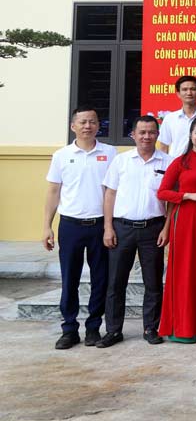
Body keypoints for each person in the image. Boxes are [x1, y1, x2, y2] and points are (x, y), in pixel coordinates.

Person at [43, 106, 114, 349]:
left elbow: (111, 192)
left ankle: (94, 327)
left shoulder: (110, 153)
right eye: (82, 122)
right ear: (73, 126)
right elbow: (53, 192)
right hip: (70, 225)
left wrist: (109, 226)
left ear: (98, 125)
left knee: (100, 279)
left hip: (99, 225)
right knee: (69, 278)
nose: (87, 126)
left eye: (92, 121)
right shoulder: (61, 155)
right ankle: (69, 328)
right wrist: (47, 226)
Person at [96, 115, 169, 348]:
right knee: (116, 282)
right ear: (133, 135)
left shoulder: (168, 162)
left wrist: (167, 229)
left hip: (154, 228)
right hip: (122, 228)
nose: (146, 136)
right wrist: (108, 227)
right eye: (142, 132)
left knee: (153, 282)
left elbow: (173, 202)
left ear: (157, 135)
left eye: (151, 132)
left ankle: (151, 327)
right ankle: (114, 330)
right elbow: (110, 194)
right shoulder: (121, 161)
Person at [156, 116, 196, 343]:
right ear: (191, 135)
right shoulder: (180, 162)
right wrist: (188, 196)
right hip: (184, 222)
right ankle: (181, 328)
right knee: (184, 273)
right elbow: (163, 192)